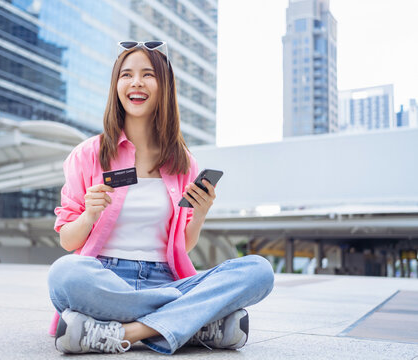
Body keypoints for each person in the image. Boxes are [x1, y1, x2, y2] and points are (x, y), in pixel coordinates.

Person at [47, 41, 274, 355]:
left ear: (164, 87)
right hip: (106, 280)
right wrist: (89, 214)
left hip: (166, 280)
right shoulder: (88, 155)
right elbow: (68, 242)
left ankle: (125, 332)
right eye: (126, 75)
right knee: (64, 274)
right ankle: (195, 322)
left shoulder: (183, 163)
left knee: (259, 271)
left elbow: (184, 245)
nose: (136, 82)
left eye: (147, 74)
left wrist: (202, 213)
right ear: (116, 86)